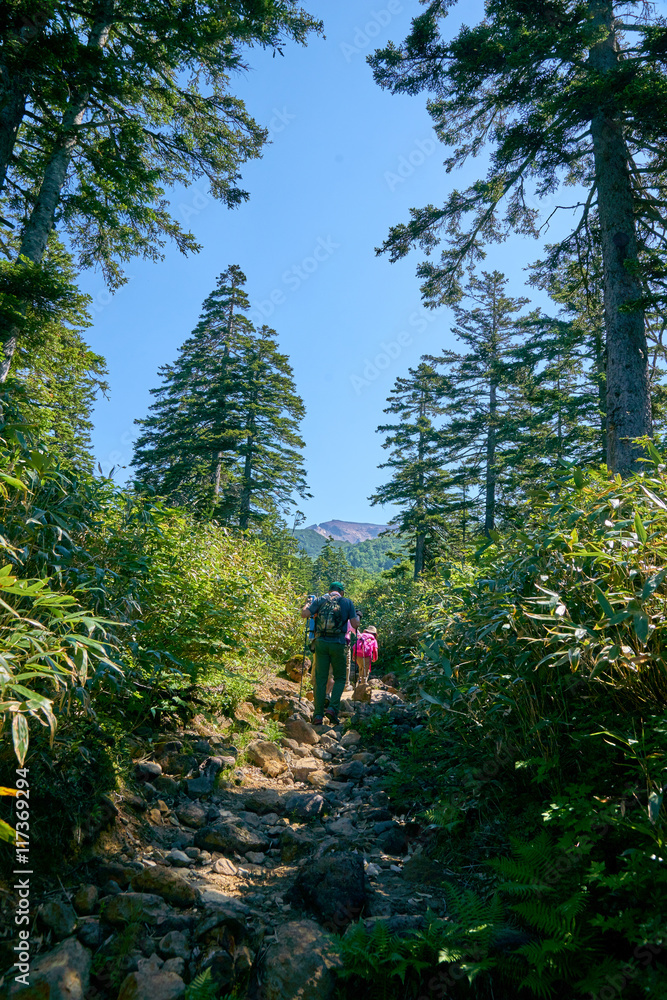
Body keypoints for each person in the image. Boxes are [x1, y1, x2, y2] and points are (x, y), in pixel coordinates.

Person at [302, 582, 360, 725]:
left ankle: (318, 716)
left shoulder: (321, 600)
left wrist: (306, 603)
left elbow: (304, 614)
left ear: (329, 591)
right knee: (340, 678)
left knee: (321, 679)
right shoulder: (347, 602)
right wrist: (358, 614)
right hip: (338, 644)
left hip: (321, 643)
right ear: (342, 592)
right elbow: (355, 624)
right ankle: (333, 708)